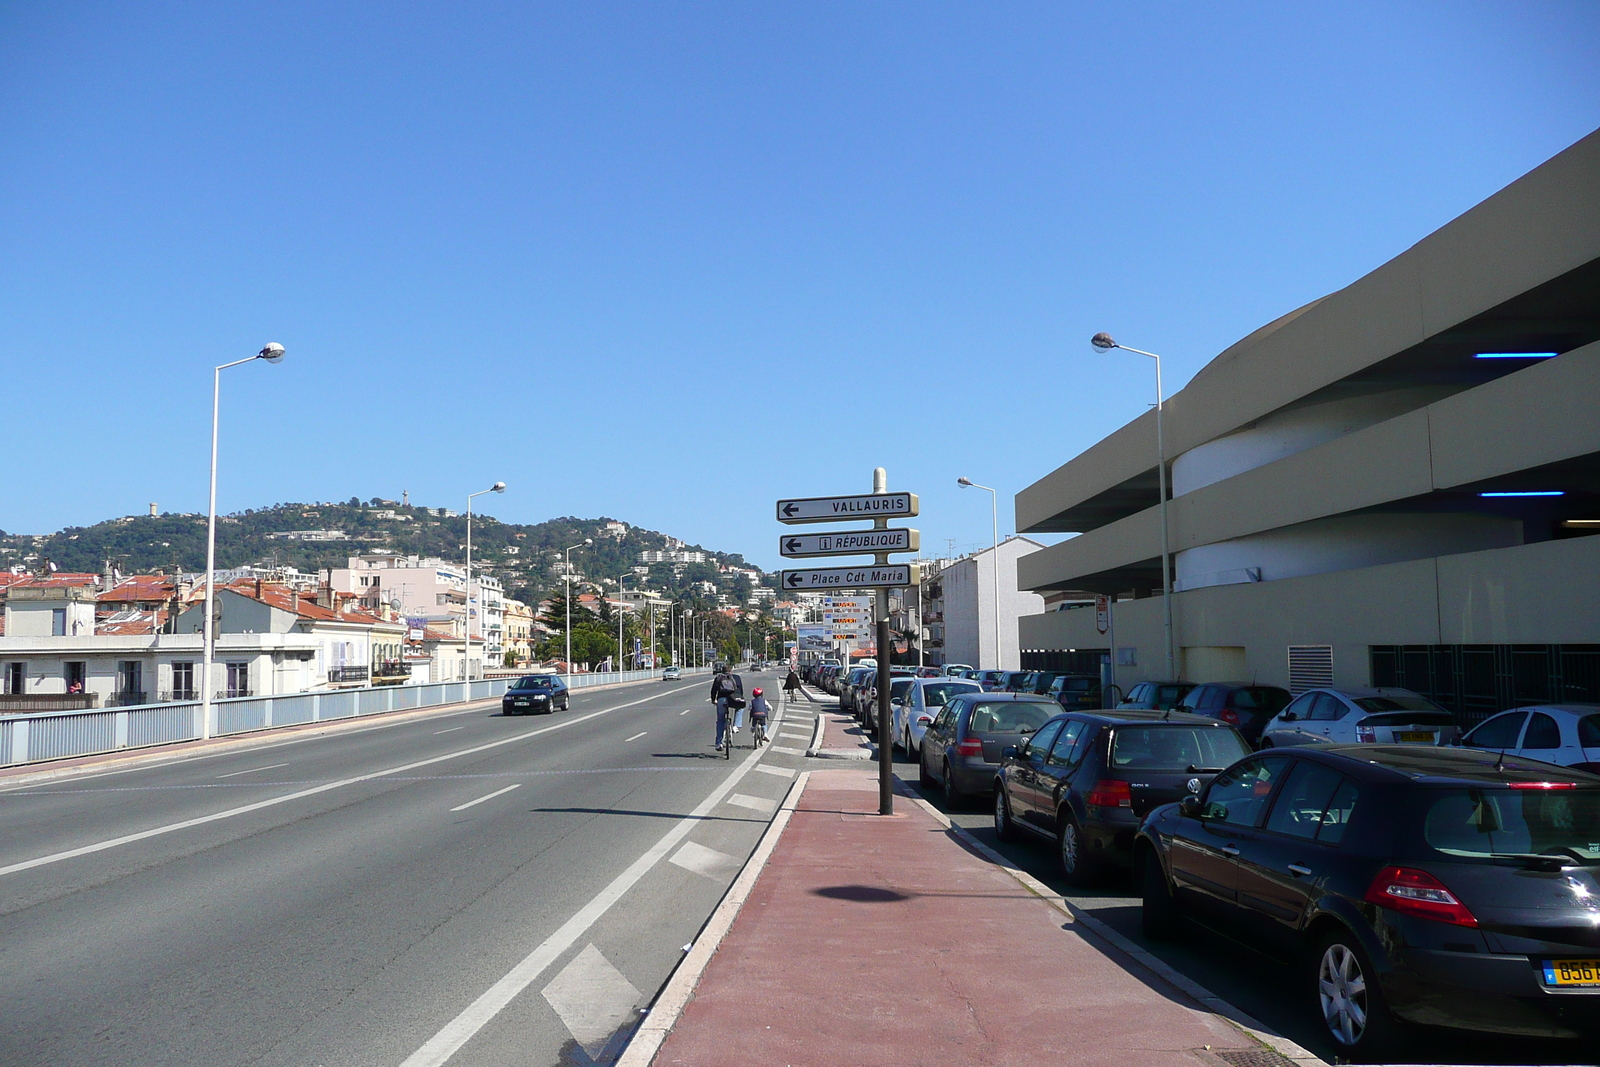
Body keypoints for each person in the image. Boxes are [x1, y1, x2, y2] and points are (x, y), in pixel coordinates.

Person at [709, 664, 744, 751]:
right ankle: (736, 725)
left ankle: (719, 743)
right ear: (731, 671)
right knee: (740, 708)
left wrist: (713, 700)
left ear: (722, 671)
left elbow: (713, 691)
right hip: (733, 699)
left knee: (720, 720)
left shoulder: (718, 678)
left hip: (722, 700)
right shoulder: (736, 677)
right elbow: (741, 690)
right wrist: (739, 698)